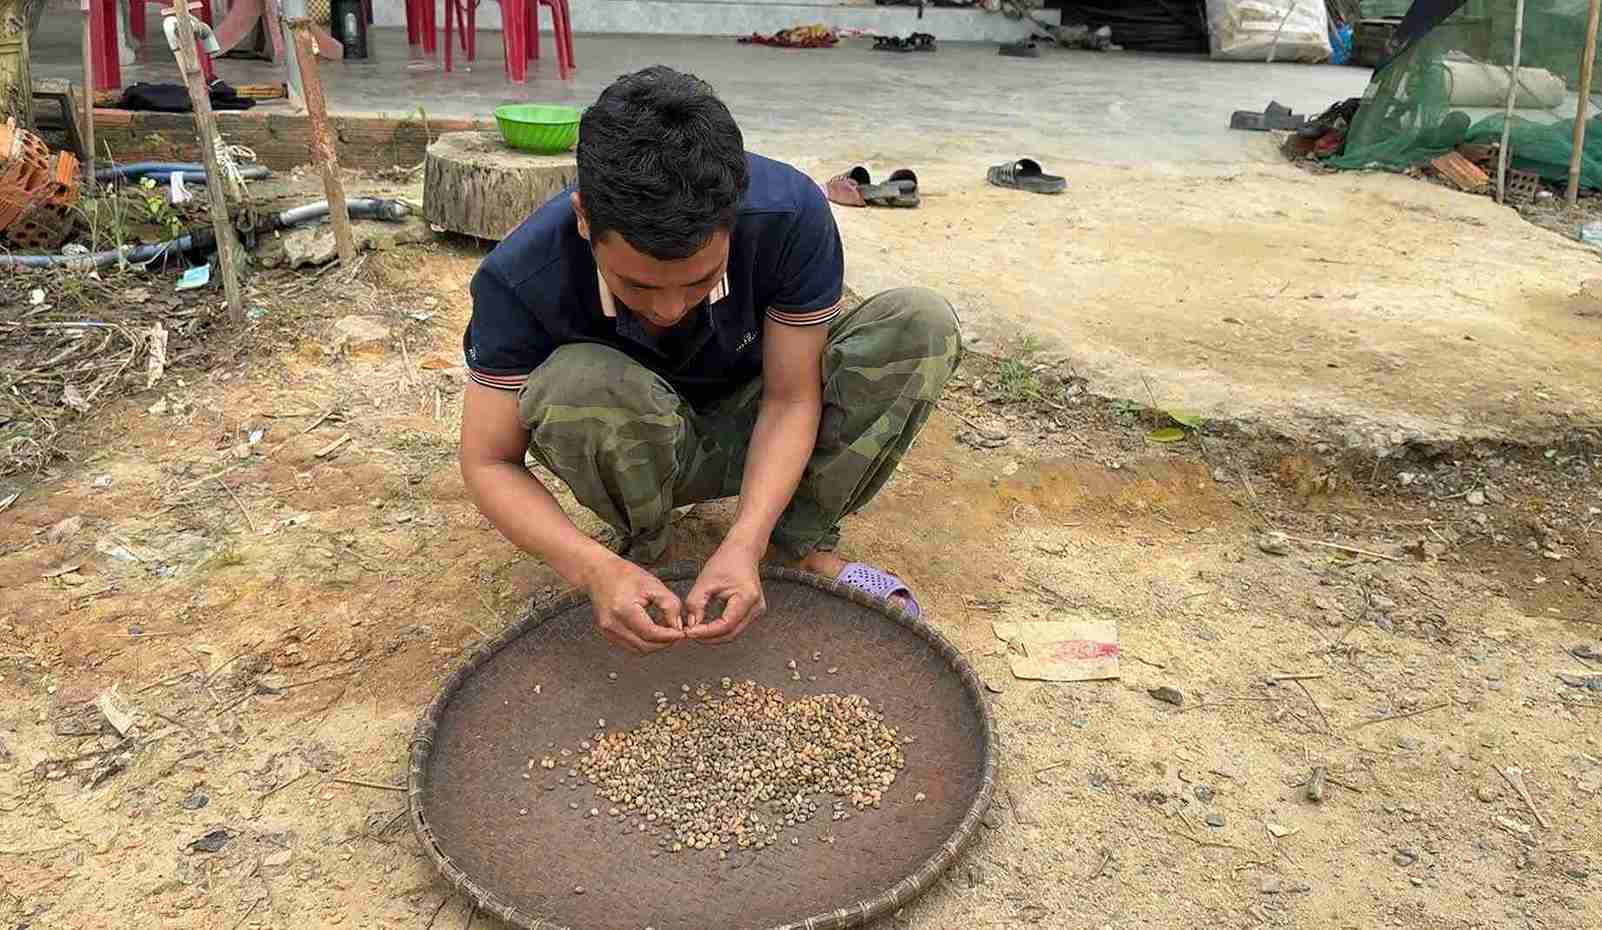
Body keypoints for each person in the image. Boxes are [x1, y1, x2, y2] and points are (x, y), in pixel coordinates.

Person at [458, 66, 960, 655]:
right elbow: (489, 461)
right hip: (642, 443)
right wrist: (588, 568)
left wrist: (745, 542)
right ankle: (648, 560)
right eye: (637, 286)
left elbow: (792, 398)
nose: (668, 308)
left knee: (918, 323)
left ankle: (792, 549)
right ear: (584, 218)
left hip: (761, 428)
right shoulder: (519, 278)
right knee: (576, 384)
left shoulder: (789, 216)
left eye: (699, 280)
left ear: (734, 216)